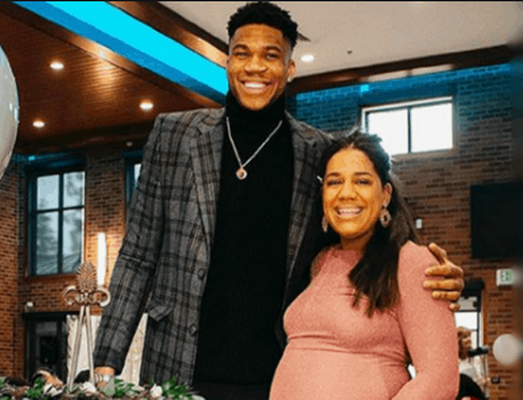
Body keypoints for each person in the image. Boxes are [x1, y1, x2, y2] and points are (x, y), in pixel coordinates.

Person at [93, 2, 464, 398]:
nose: (255, 67)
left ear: (289, 68)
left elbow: (353, 235)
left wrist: (427, 277)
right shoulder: (175, 135)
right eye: (242, 54)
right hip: (177, 364)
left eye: (271, 56)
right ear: (228, 62)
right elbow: (138, 254)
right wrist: (106, 359)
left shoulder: (315, 151)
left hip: (275, 375)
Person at [270, 131, 459, 399]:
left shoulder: (411, 261)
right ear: (323, 195)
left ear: (385, 194)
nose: (346, 193)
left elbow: (439, 380)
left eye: (362, 181)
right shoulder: (320, 260)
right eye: (334, 182)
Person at [457, 327, 488, 399]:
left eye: (469, 336)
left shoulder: (474, 359)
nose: (469, 339)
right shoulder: (454, 361)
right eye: (465, 337)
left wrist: (485, 381)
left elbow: (477, 379)